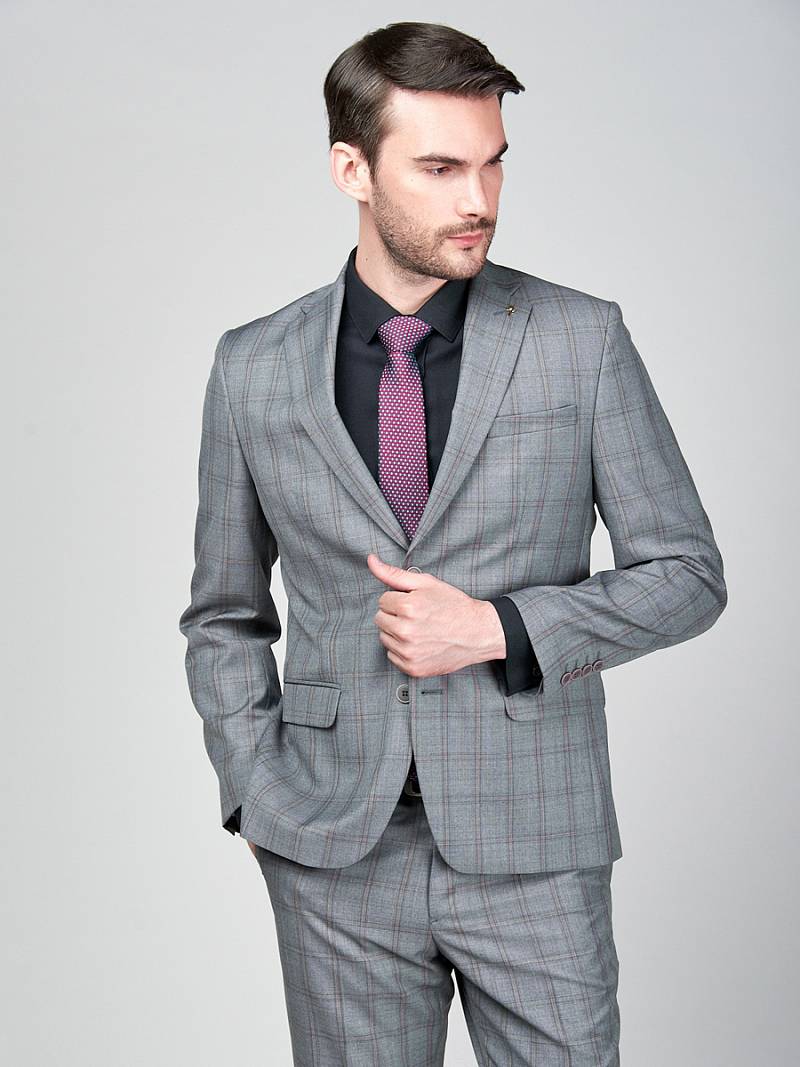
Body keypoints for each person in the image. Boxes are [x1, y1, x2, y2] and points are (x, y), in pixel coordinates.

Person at [178, 20, 727, 1066]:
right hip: (333, 851)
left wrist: (498, 627)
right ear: (351, 169)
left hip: (534, 842)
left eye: (491, 163)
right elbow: (223, 613)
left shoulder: (580, 340)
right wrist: (255, 791)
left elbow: (687, 575)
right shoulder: (252, 366)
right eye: (439, 168)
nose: (478, 199)